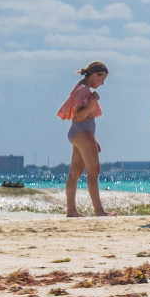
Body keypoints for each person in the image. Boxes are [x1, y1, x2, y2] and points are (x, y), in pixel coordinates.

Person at [59, 61, 108, 218]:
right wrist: (93, 101)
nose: (103, 83)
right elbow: (79, 116)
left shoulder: (82, 88)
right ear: (95, 75)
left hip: (82, 133)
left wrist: (93, 139)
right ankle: (99, 211)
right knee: (94, 170)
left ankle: (71, 211)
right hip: (82, 132)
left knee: (75, 172)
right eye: (102, 79)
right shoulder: (82, 90)